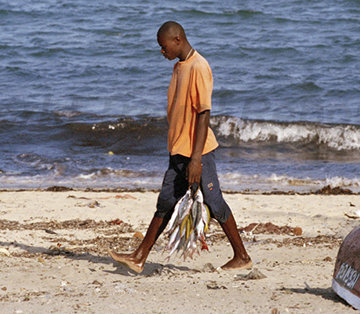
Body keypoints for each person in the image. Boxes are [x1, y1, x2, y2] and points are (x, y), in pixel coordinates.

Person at [108, 21, 252, 273]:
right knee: (165, 202)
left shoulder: (199, 66)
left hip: (198, 151)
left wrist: (196, 159)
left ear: (177, 40)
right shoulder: (179, 67)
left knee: (214, 203)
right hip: (179, 149)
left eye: (163, 47)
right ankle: (139, 257)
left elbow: (203, 114)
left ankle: (242, 256)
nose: (161, 52)